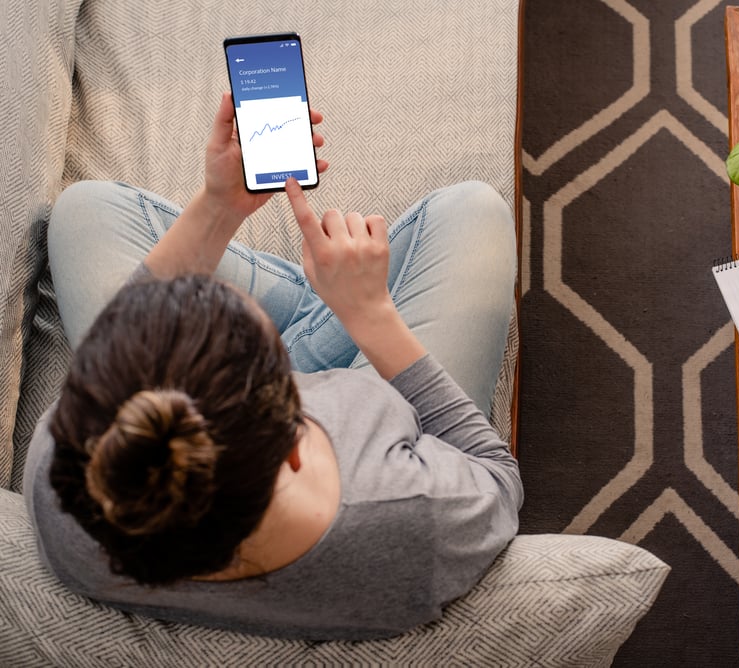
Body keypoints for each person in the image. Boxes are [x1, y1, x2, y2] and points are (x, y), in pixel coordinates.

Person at [23, 92, 522, 641]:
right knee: (470, 211)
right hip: (375, 390)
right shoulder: (404, 517)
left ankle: (320, 300)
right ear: (296, 429)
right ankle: (328, 302)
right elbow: (494, 475)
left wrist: (220, 207)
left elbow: (124, 329)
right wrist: (370, 314)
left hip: (238, 424)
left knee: (85, 209)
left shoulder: (67, 474)